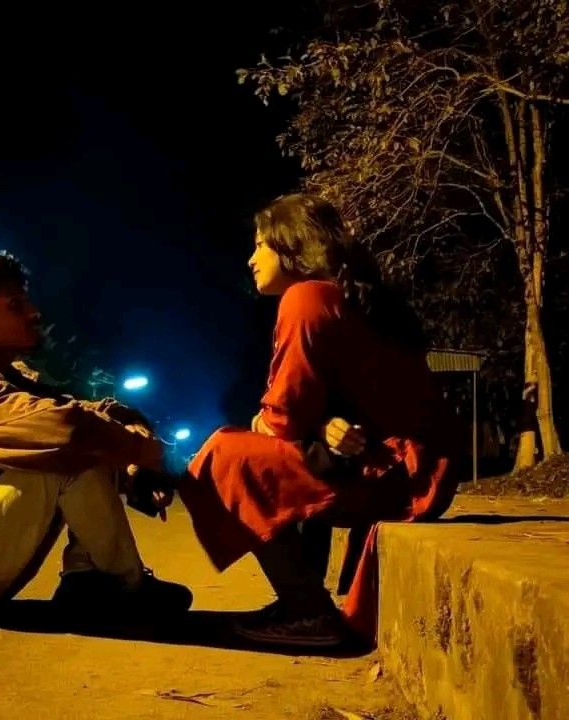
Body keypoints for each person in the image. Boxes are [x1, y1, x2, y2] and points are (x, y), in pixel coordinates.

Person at [178, 194, 460, 648]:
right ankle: (301, 604)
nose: (250, 259)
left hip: (400, 474)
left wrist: (272, 422)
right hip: (413, 467)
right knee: (283, 454)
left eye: (260, 245)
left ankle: (307, 610)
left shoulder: (307, 298)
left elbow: (282, 417)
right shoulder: (345, 294)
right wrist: (325, 424)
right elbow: (338, 405)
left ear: (290, 246)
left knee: (228, 454)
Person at [0, 250, 191, 623]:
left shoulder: (6, 376)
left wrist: (132, 460)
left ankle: (87, 580)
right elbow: (66, 429)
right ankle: (122, 585)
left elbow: (94, 414)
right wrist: (157, 457)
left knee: (90, 436)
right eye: (15, 305)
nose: (33, 312)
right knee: (66, 446)